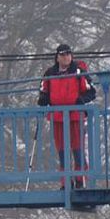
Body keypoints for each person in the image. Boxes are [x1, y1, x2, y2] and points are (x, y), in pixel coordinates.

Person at [37, 43, 96, 189]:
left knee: (77, 148)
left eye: (69, 54)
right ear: (57, 57)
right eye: (63, 55)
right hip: (58, 116)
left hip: (75, 115)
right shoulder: (50, 73)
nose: (66, 57)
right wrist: (43, 99)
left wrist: (80, 100)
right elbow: (43, 90)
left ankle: (80, 179)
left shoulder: (78, 71)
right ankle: (65, 181)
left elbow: (91, 91)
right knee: (62, 150)